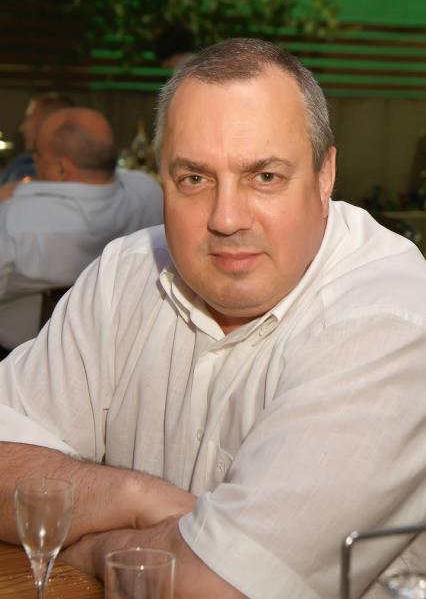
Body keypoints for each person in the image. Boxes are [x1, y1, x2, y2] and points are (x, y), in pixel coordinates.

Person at [0, 38, 425, 599]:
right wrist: (135, 497)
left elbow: (220, 587)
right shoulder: (126, 273)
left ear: (325, 176)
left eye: (264, 177)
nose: (226, 218)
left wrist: (94, 548)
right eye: (194, 179)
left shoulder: (388, 319)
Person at [0, 106, 163, 355]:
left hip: (23, 355)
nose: (34, 161)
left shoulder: (14, 219)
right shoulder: (148, 194)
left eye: (37, 154)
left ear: (61, 168)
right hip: (122, 349)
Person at [0, 92, 75, 185]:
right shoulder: (22, 161)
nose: (22, 128)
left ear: (50, 122)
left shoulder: (28, 171)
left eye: (29, 118)